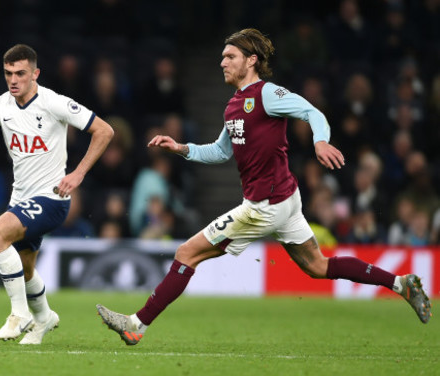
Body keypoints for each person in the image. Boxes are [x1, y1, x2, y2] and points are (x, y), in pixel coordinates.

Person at [96, 29, 431, 346]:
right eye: (222, 57)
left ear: (251, 60)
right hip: (284, 199)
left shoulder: (267, 94)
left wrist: (321, 142)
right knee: (317, 266)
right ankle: (402, 284)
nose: (223, 62)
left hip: (265, 205)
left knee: (186, 253)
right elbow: (220, 151)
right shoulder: (232, 105)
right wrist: (181, 148)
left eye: (230, 56)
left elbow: (313, 113)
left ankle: (136, 326)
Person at [0, 44, 113, 344]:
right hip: (21, 199)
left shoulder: (54, 102)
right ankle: (45, 317)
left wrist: (77, 174)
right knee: (25, 270)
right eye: (8, 73)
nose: (13, 80)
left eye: (20, 73)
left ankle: (19, 313)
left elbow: (104, 131)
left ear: (35, 74)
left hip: (52, 199)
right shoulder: (1, 105)